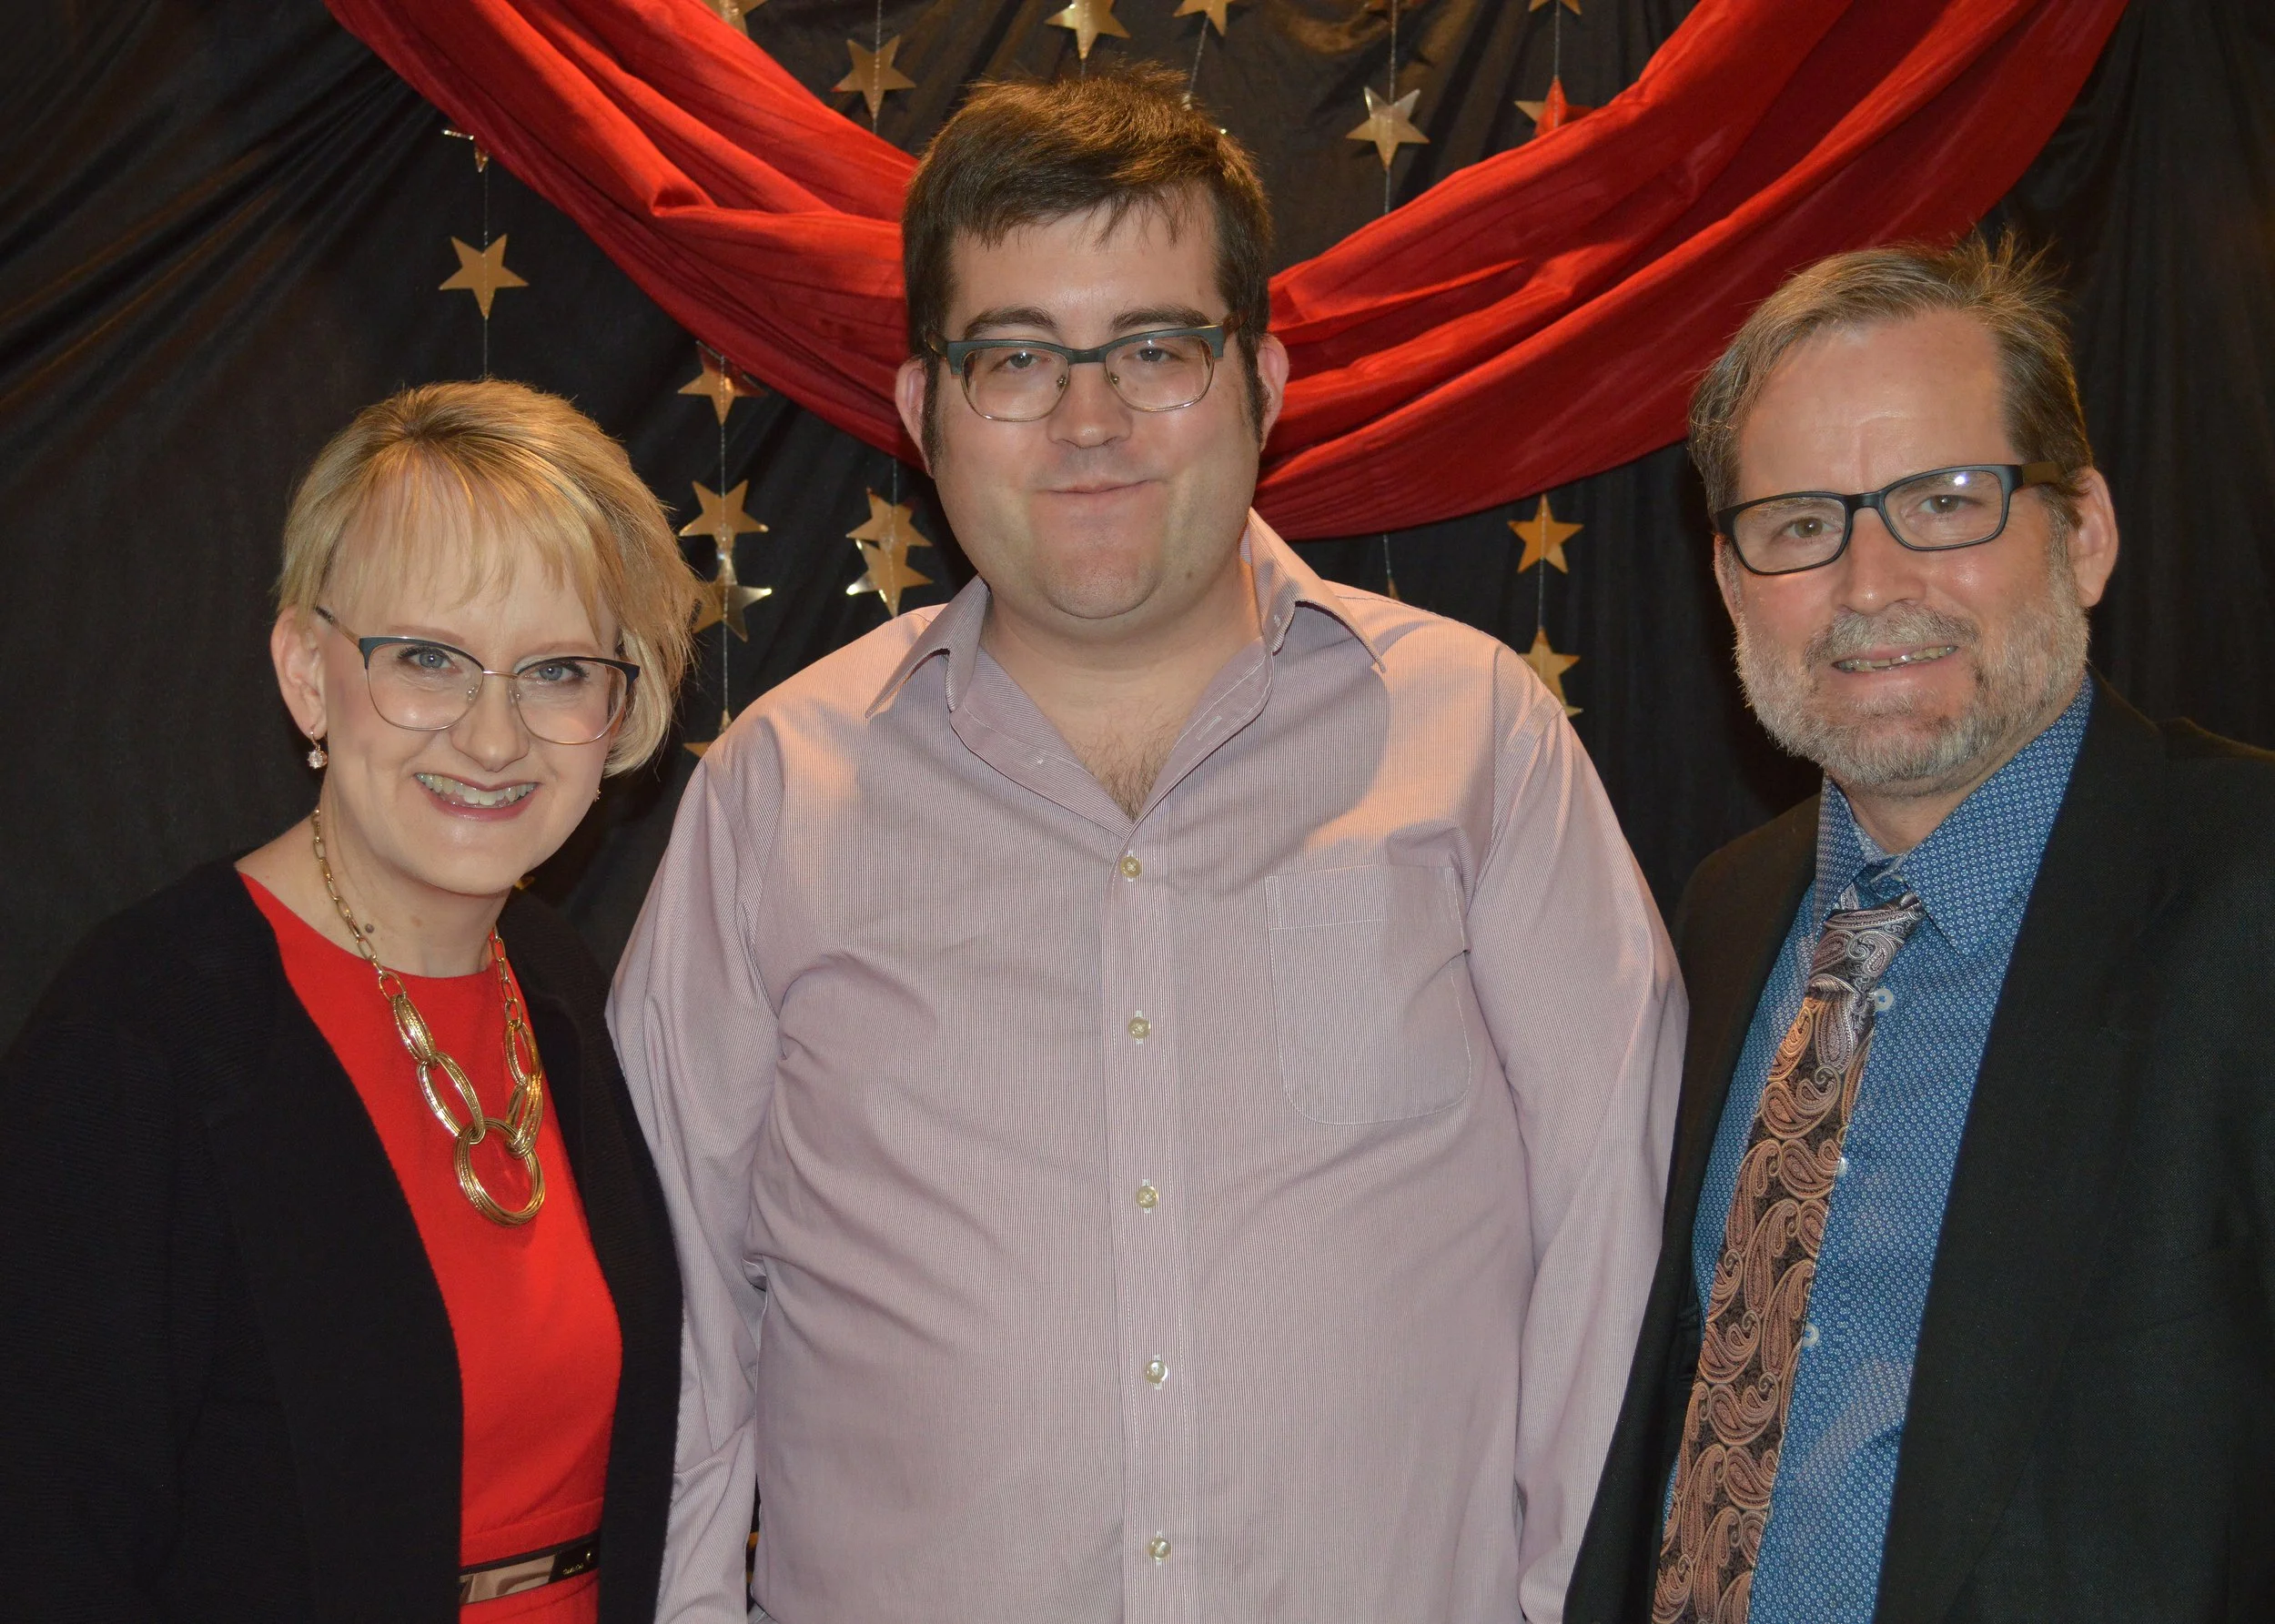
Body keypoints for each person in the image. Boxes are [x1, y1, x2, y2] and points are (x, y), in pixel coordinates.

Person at [612, 66, 1684, 1624]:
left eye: (1157, 351)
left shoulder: (1482, 745)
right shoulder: (777, 793)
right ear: (921, 411)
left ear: (1261, 380)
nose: (1091, 421)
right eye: (1018, 357)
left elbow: (1616, 1250)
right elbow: (684, 1318)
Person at [1565, 237, 2275, 1624]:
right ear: (1728, 583)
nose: (1872, 583)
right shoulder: (1727, 910)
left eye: (1946, 501)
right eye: (1799, 524)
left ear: (2084, 533)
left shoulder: (2249, 899)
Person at [0, 380, 697, 1623]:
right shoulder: (143, 1033)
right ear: (308, 677)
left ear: (619, 709)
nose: (494, 738)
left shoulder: (565, 987)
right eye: (427, 659)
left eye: (557, 671)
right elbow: (51, 1545)